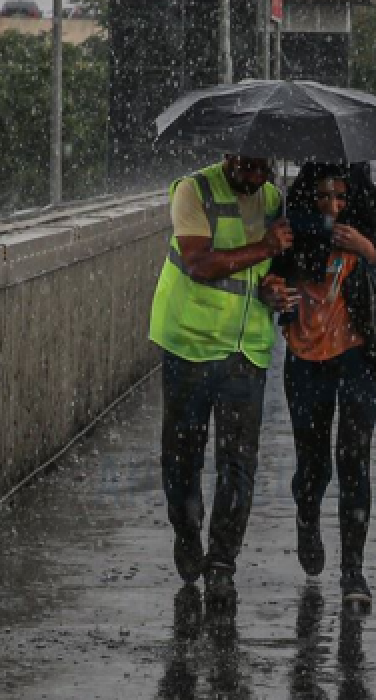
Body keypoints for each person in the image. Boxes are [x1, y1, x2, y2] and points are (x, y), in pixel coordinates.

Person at [149, 154, 298, 602]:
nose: (255, 179)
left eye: (263, 170)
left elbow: (269, 274)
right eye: (247, 169)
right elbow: (198, 263)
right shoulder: (193, 191)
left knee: (238, 464)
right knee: (183, 455)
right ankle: (186, 528)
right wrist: (267, 248)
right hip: (190, 344)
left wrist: (274, 288)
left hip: (245, 349)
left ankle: (222, 561)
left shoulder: (273, 199)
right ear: (230, 158)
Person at [271, 163, 376, 608]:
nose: (334, 206)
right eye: (324, 197)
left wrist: (369, 250)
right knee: (313, 463)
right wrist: (275, 289)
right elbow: (268, 276)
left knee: (354, 458)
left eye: (343, 197)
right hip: (307, 358)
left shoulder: (371, 225)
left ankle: (353, 572)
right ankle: (307, 514)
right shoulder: (291, 231)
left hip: (359, 357)